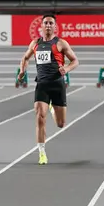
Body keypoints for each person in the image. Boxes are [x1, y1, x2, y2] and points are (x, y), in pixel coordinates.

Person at [18, 14, 79, 165]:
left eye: (51, 23)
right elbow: (25, 58)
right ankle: (42, 153)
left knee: (61, 124)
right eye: (46, 23)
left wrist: (67, 68)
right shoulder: (35, 43)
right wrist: (22, 71)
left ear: (55, 26)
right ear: (41, 26)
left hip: (57, 84)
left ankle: (52, 108)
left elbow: (75, 60)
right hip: (42, 84)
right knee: (39, 116)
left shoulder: (61, 43)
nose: (48, 25)